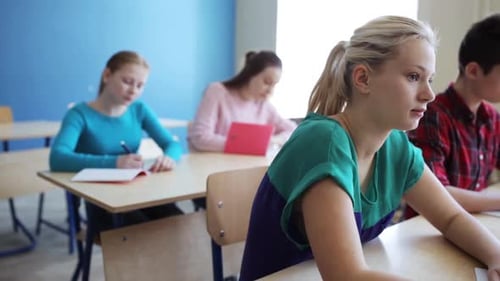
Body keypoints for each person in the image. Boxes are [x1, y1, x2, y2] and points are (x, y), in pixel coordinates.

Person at [239, 16, 500, 281]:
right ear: (363, 78)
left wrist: (495, 256)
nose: (429, 94)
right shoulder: (324, 143)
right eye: (413, 76)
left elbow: (451, 217)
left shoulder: (396, 145)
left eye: (429, 79)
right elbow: (346, 275)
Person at [50, 50, 184, 232]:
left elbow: (173, 145)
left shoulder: (139, 110)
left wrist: (169, 158)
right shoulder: (79, 114)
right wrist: (114, 162)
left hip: (137, 192)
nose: (134, 91)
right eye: (127, 82)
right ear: (107, 75)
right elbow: (58, 158)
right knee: (143, 231)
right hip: (101, 202)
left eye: (140, 85)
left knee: (177, 222)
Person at [404, 14, 500, 220]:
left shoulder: (491, 118)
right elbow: (437, 195)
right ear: (473, 70)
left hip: (468, 223)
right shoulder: (432, 116)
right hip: (426, 229)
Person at [187, 50, 297, 152]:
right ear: (250, 74)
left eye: (274, 85)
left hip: (247, 166)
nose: (270, 91)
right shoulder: (217, 91)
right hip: (213, 165)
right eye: (267, 82)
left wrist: (273, 140)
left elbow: (293, 130)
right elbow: (200, 137)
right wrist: (251, 144)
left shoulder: (264, 106)